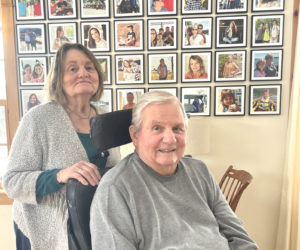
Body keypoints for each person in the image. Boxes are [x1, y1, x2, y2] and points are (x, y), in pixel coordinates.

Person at [90, 91, 259, 250]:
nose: (170, 139)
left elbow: (238, 236)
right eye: (157, 128)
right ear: (135, 135)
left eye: (177, 128)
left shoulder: (199, 171)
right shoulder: (114, 188)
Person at [2, 43, 121, 250]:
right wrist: (60, 175)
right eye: (73, 68)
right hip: (43, 229)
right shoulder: (38, 119)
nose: (83, 73)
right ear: (58, 78)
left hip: (90, 225)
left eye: (89, 67)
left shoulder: (105, 118)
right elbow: (12, 181)